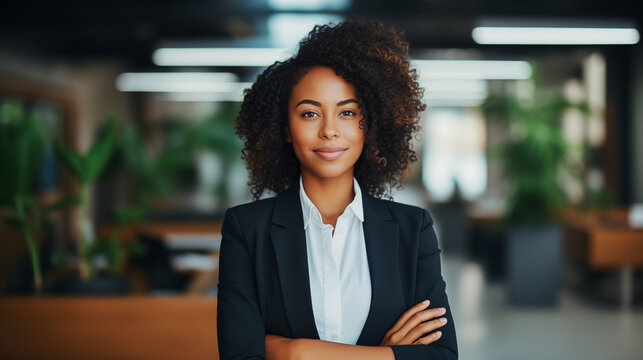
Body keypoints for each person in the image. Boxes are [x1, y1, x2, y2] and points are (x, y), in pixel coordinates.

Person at [217, 20, 457, 360]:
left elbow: (443, 354)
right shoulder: (247, 229)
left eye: (347, 112)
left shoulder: (412, 229)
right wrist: (386, 354)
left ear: (370, 125)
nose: (330, 131)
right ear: (285, 128)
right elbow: (240, 355)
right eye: (310, 113)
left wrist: (296, 351)